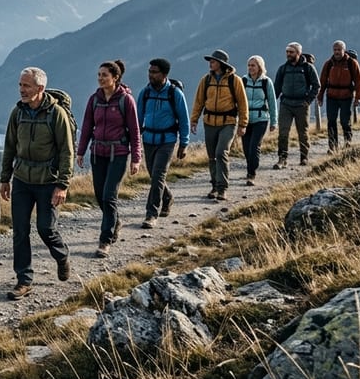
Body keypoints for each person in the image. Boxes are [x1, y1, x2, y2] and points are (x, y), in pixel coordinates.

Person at [0, 67, 74, 301]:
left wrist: (63, 185)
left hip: (48, 182)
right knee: (20, 231)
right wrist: (5, 178)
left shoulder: (56, 114)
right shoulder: (17, 112)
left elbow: (66, 151)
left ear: (40, 89)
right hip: (21, 180)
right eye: (20, 85)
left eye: (26, 85)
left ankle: (61, 256)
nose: (21, 90)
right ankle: (24, 280)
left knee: (45, 228)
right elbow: (10, 145)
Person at [76, 60, 141, 258]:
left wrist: (136, 158)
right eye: (99, 74)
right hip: (97, 153)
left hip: (119, 153)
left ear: (116, 77)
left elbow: (135, 130)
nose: (100, 78)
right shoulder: (94, 99)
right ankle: (115, 222)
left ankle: (104, 241)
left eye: (105, 75)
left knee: (108, 196)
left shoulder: (125, 100)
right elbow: (87, 125)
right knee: (99, 195)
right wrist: (81, 151)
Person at [136, 58, 189, 228]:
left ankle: (151, 214)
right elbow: (137, 119)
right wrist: (135, 140)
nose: (150, 75)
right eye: (149, 71)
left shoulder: (174, 94)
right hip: (148, 139)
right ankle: (167, 197)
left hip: (167, 140)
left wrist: (184, 143)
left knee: (158, 175)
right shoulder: (145, 93)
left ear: (164, 74)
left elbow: (184, 119)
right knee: (154, 176)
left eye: (154, 72)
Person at [189, 50, 248, 200]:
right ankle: (214, 186)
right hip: (209, 122)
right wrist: (194, 120)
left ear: (221, 64)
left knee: (221, 153)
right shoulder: (206, 80)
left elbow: (242, 104)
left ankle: (222, 188)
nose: (210, 63)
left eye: (213, 61)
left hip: (228, 123)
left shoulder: (235, 80)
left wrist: (242, 124)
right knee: (211, 156)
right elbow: (199, 101)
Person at [272, 42, 319, 169]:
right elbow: (276, 87)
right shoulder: (283, 68)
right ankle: (282, 158)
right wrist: (271, 104)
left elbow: (316, 85)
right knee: (283, 132)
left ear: (298, 53)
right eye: (287, 52)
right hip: (286, 104)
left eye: (291, 52)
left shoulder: (308, 68)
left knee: (302, 132)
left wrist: (308, 100)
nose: (288, 54)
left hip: (301, 105)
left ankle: (304, 157)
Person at [317, 40, 360, 152]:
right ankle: (332, 146)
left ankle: (348, 142)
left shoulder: (352, 63)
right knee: (331, 121)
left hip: (346, 96)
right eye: (335, 50)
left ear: (344, 50)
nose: (337, 52)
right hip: (331, 96)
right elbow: (322, 81)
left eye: (339, 50)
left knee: (345, 121)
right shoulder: (328, 64)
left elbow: (358, 81)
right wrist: (320, 96)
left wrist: (358, 97)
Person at [241, 56, 278, 186]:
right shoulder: (243, 81)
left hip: (261, 119)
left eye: (253, 65)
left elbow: (272, 103)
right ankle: (250, 167)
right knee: (246, 148)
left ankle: (251, 174)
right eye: (249, 65)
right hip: (245, 120)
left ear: (260, 67)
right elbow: (238, 101)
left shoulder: (266, 82)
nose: (250, 68)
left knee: (253, 146)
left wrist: (274, 122)